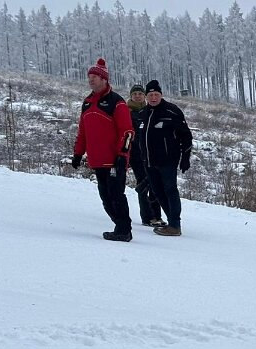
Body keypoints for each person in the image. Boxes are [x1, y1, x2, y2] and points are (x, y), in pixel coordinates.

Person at [72, 58, 135, 242]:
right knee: (105, 197)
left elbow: (127, 131)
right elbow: (83, 132)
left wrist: (122, 154)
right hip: (97, 160)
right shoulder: (87, 103)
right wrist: (78, 153)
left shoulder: (117, 102)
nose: (90, 80)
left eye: (94, 77)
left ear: (104, 79)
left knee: (116, 195)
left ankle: (124, 230)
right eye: (89, 77)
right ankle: (120, 226)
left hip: (115, 160)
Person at [135, 80, 192, 237]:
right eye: (150, 95)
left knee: (170, 190)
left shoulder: (172, 111)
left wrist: (185, 157)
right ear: (146, 97)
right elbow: (139, 138)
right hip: (149, 162)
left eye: (156, 95)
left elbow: (186, 135)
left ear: (161, 95)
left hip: (168, 161)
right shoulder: (142, 113)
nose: (153, 98)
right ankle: (171, 222)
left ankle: (175, 225)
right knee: (158, 192)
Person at [127, 83, 165, 227]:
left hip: (151, 154)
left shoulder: (150, 111)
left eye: (140, 94)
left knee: (155, 184)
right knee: (143, 184)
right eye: (135, 94)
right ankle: (147, 217)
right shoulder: (126, 112)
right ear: (131, 96)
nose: (137, 96)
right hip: (136, 155)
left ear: (144, 96)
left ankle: (157, 216)